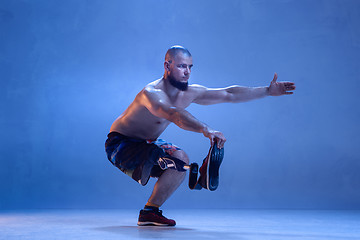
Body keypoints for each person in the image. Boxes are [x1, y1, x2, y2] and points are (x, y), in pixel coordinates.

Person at [105, 45, 296, 226]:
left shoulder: (189, 92)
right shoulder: (151, 93)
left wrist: (266, 91)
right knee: (166, 159)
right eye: (181, 66)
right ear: (167, 66)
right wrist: (206, 129)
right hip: (120, 144)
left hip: (147, 142)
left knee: (180, 159)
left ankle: (149, 212)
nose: (187, 72)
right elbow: (174, 114)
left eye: (190, 67)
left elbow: (229, 93)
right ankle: (175, 167)